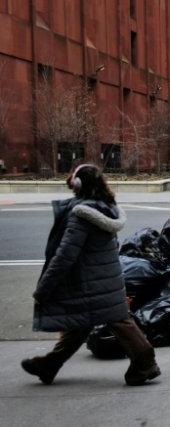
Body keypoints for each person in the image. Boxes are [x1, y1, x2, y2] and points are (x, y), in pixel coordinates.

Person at [21, 164, 160, 386]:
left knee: (118, 321)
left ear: (77, 184)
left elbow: (65, 256)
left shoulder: (82, 215)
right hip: (107, 278)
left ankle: (145, 364)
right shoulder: (106, 208)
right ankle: (49, 365)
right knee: (81, 323)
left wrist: (44, 288)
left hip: (89, 282)